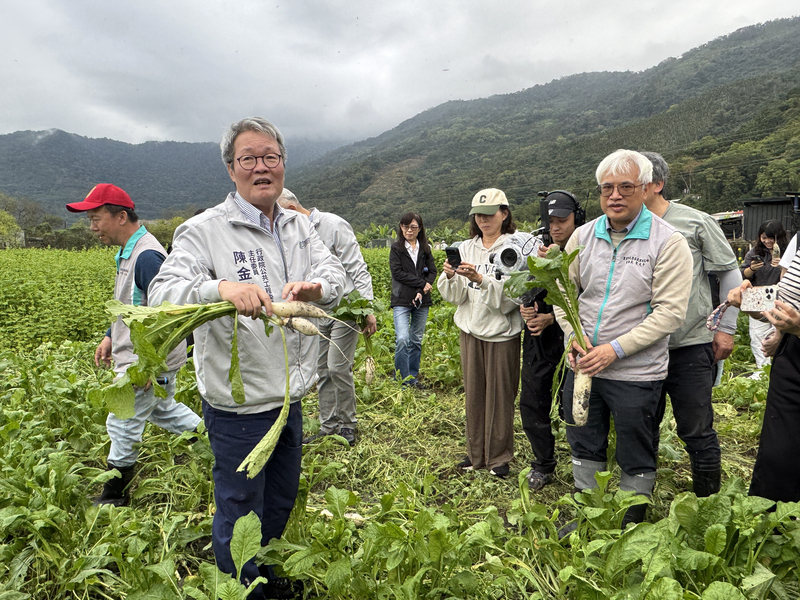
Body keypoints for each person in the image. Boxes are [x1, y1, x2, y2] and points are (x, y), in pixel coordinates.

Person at [149, 117, 346, 600]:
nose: (262, 167)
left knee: (279, 499)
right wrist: (220, 287)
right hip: (240, 406)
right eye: (249, 159)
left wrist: (316, 288)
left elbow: (335, 273)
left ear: (283, 164)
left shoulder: (300, 225)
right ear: (232, 169)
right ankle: (244, 590)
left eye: (270, 157)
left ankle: (269, 578)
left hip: (291, 395)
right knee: (240, 510)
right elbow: (161, 292)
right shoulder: (203, 230)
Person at [554, 149, 692, 526]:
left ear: (646, 189)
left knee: (636, 446)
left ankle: (631, 521)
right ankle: (588, 515)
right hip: (584, 366)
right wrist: (572, 337)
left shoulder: (668, 242)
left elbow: (670, 312)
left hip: (637, 371)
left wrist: (614, 350)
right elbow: (564, 296)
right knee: (583, 439)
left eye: (626, 187)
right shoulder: (583, 237)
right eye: (607, 188)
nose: (615, 196)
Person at [66, 184, 201, 507]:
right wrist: (111, 335)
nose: (92, 227)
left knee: (122, 421)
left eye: (97, 218)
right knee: (164, 411)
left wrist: (147, 366)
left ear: (121, 216)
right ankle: (217, 440)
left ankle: (114, 497)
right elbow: (132, 304)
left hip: (147, 362)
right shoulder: (130, 251)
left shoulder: (147, 257)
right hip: (143, 358)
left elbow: (166, 317)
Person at [641, 151, 742, 497]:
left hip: (689, 344)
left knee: (697, 428)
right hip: (638, 348)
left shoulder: (694, 222)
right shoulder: (620, 226)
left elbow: (729, 273)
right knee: (642, 427)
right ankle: (639, 498)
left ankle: (707, 502)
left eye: (634, 180)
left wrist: (727, 329)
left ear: (657, 183)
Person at [276, 189, 377, 445]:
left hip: (346, 310)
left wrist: (367, 309)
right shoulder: (294, 234)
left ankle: (348, 424)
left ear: (293, 208)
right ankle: (328, 425)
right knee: (322, 369)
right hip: (318, 311)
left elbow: (358, 268)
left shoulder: (333, 225)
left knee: (337, 367)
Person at [438, 189, 524, 477]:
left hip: (501, 333)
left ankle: (498, 457)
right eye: (478, 215)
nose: (483, 220)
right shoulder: (465, 247)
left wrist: (480, 278)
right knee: (474, 394)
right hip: (471, 331)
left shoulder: (516, 247)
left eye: (489, 214)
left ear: (504, 213)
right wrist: (451, 276)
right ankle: (476, 454)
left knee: (500, 396)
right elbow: (455, 296)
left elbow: (512, 296)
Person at [518, 191, 583, 491]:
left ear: (576, 219)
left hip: (574, 340)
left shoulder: (585, 248)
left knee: (571, 405)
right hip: (538, 341)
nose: (556, 228)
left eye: (563, 221)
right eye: (551, 222)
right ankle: (542, 463)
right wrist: (525, 308)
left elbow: (592, 298)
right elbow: (523, 286)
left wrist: (552, 318)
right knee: (533, 401)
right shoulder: (538, 250)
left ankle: (583, 461)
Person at [727, 242, 800, 502]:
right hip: (792, 359)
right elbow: (788, 302)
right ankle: (769, 533)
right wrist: (749, 298)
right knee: (777, 455)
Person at [389, 212, 437, 389]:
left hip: (422, 300)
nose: (409, 230)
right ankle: (401, 378)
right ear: (401, 227)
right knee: (402, 338)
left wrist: (422, 288)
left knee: (416, 339)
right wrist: (423, 283)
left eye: (413, 227)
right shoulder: (397, 249)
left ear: (420, 228)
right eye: (405, 226)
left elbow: (432, 271)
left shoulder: (425, 249)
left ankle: (412, 376)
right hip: (401, 299)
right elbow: (398, 273)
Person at [741, 220, 788, 370]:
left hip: (780, 299)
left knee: (780, 334)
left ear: (778, 237)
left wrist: (782, 265)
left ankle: (779, 368)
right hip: (758, 297)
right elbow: (743, 274)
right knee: (757, 335)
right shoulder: (754, 252)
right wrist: (752, 268)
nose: (767, 241)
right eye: (763, 237)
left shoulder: (788, 252)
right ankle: (762, 370)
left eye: (770, 238)